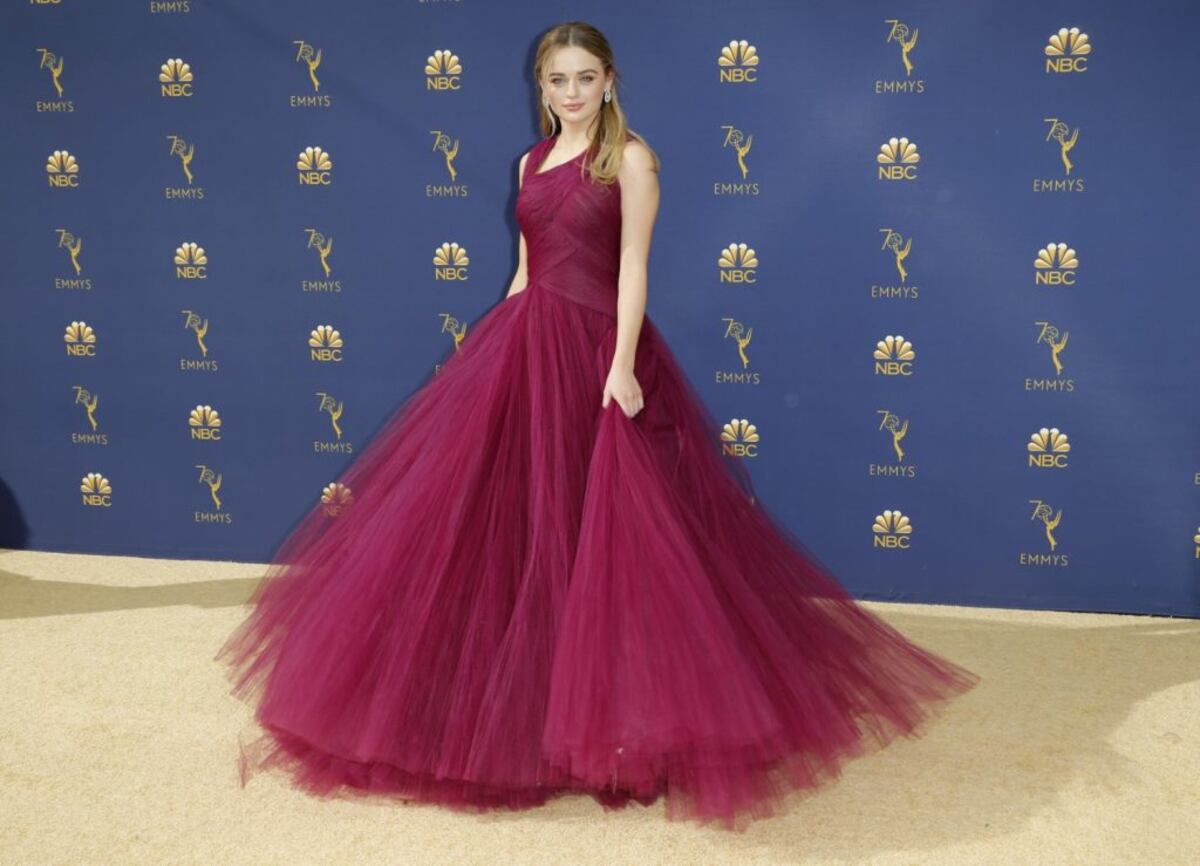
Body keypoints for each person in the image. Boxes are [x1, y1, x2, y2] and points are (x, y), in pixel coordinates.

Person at [215, 21, 980, 832]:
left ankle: (620, 720)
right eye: (557, 80)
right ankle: (511, 712)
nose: (571, 93)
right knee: (508, 528)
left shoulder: (632, 160)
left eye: (584, 78)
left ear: (609, 81)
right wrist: (489, 347)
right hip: (523, 344)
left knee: (609, 536)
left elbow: (632, 267)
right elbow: (523, 267)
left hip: (595, 348)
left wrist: (619, 367)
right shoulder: (528, 161)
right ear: (540, 87)